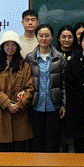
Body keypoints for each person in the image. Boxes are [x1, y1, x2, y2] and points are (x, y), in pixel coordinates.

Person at [0, 31, 34, 152]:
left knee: (19, 153)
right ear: (2, 47)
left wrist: (19, 104)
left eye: (13, 45)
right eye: (7, 44)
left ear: (18, 47)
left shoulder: (25, 66)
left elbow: (29, 88)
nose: (10, 47)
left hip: (19, 114)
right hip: (0, 113)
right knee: (0, 154)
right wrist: (8, 104)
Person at [25, 24, 66, 152]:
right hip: (35, 105)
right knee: (37, 142)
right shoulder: (29, 58)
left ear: (52, 37)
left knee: (52, 142)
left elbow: (64, 83)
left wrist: (63, 104)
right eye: (41, 35)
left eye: (47, 35)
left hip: (54, 106)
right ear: (36, 37)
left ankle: (52, 165)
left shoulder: (59, 58)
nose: (44, 38)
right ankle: (37, 166)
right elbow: (25, 82)